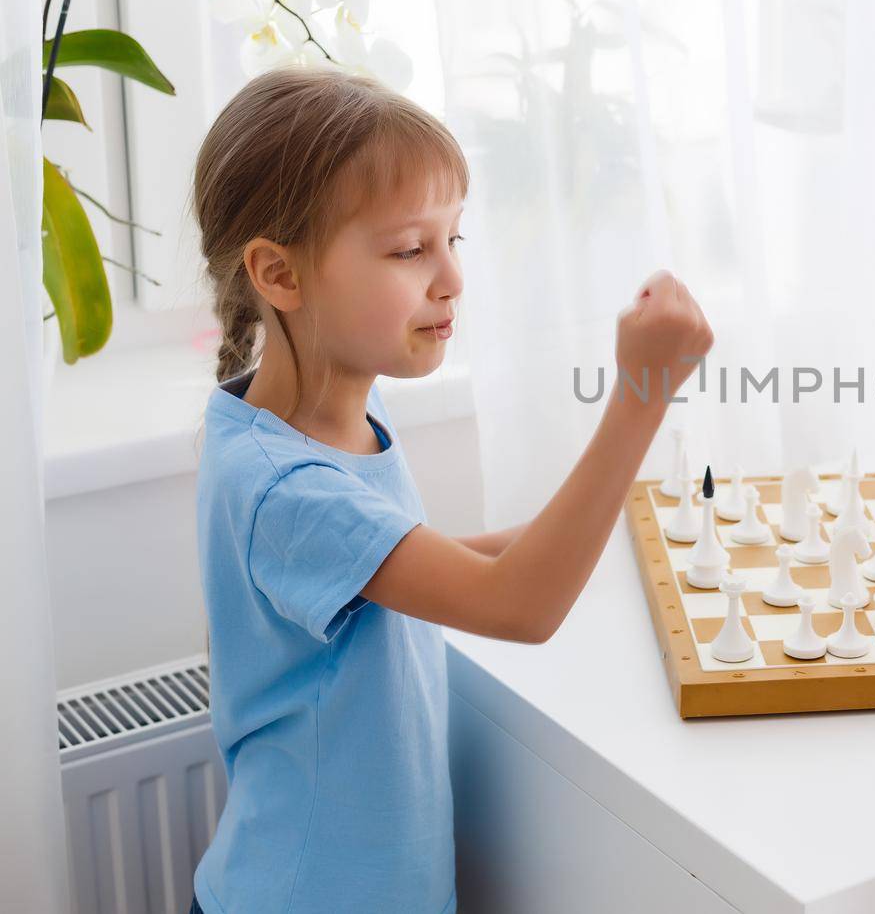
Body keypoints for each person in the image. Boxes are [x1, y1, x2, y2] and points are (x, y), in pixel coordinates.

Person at [186, 65, 712, 913]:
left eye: (453, 239)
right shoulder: (288, 488)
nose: (451, 278)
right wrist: (644, 392)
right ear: (279, 274)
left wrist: (602, 531)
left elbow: (387, 577)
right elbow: (520, 607)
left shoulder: (311, 415)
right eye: (408, 249)